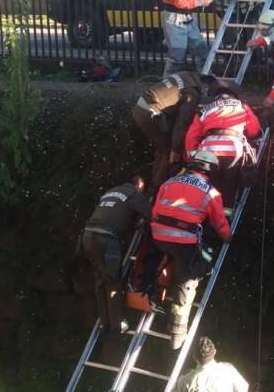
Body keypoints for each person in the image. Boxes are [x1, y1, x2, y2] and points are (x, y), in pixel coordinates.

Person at [151, 150, 232, 349]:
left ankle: (155, 292)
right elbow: (220, 225)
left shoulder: (169, 182)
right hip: (183, 241)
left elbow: (155, 210)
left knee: (173, 253)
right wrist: (229, 238)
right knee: (188, 280)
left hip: (158, 236)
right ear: (211, 171)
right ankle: (177, 333)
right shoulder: (211, 192)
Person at [81, 176, 152, 335]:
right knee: (113, 280)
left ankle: (104, 322)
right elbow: (151, 215)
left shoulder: (111, 191)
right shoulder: (134, 194)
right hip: (105, 238)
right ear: (139, 185)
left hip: (87, 236)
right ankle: (117, 324)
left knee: (101, 279)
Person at [184, 80, 261, 206]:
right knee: (229, 187)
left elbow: (191, 136)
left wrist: (191, 156)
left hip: (208, 152)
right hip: (233, 149)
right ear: (234, 94)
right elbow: (254, 130)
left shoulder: (204, 109)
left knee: (210, 188)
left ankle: (209, 216)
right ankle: (226, 218)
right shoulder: (241, 106)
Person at [132, 72, 213, 188]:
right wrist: (175, 149)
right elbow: (182, 123)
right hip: (151, 113)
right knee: (168, 151)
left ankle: (153, 179)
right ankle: (156, 188)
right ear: (205, 86)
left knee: (161, 147)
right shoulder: (192, 93)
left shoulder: (185, 75)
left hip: (141, 107)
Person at [173, 337, 249, 392]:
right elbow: (243, 388)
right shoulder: (228, 370)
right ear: (215, 351)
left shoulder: (184, 380)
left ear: (194, 356)